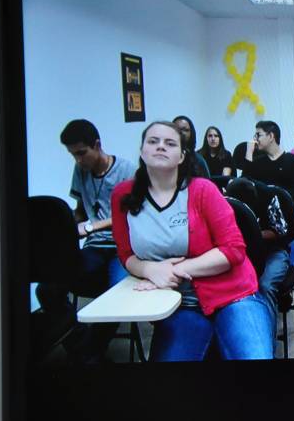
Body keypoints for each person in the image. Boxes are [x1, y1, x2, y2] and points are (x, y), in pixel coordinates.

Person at [111, 121, 274, 361]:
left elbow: (233, 250)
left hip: (233, 293)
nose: (160, 147)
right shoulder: (123, 195)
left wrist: (173, 270)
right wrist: (149, 269)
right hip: (178, 304)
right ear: (142, 151)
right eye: (153, 141)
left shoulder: (203, 190)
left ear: (181, 156)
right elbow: (126, 255)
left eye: (170, 143)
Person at [35, 119, 135, 364]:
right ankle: (80, 341)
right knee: (46, 288)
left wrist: (91, 226)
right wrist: (67, 226)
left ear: (97, 145)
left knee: (117, 296)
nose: (78, 161)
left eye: (81, 153)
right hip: (93, 249)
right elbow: (80, 210)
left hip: (122, 249)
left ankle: (92, 350)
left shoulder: (128, 171)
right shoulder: (80, 171)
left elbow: (131, 216)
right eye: (73, 155)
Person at [239, 120, 294, 252]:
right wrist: (249, 153)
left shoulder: (293, 162)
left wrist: (271, 198)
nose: (255, 139)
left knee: (286, 224)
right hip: (264, 210)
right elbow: (244, 184)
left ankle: (288, 265)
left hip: (291, 209)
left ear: (271, 136)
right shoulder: (258, 163)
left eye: (258, 135)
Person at [224, 177, 293, 318]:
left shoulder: (267, 197)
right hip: (241, 253)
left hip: (273, 251)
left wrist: (252, 232)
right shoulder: (227, 200)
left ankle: (267, 335)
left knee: (264, 286)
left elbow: (280, 230)